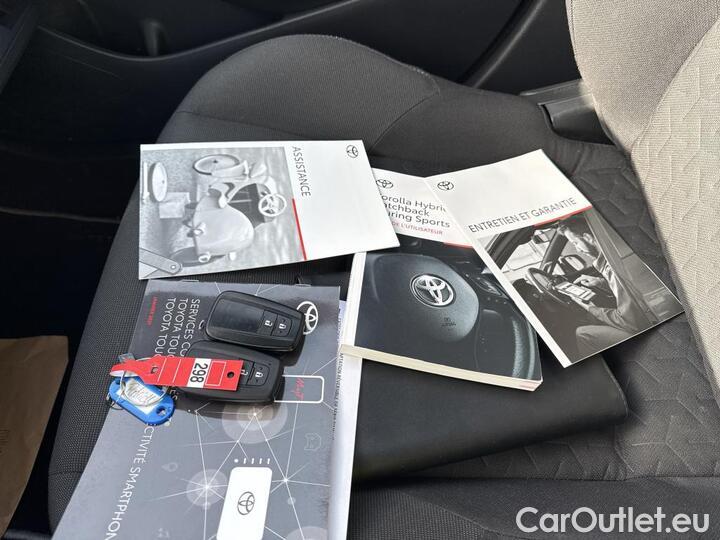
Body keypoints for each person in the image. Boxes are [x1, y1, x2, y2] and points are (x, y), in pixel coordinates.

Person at [556, 215, 647, 357]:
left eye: (575, 243)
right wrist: (600, 283)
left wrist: (590, 308)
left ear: (588, 238)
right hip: (641, 319)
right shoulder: (611, 260)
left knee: (582, 333)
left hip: (642, 330)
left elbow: (629, 322)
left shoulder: (612, 269)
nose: (577, 250)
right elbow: (628, 291)